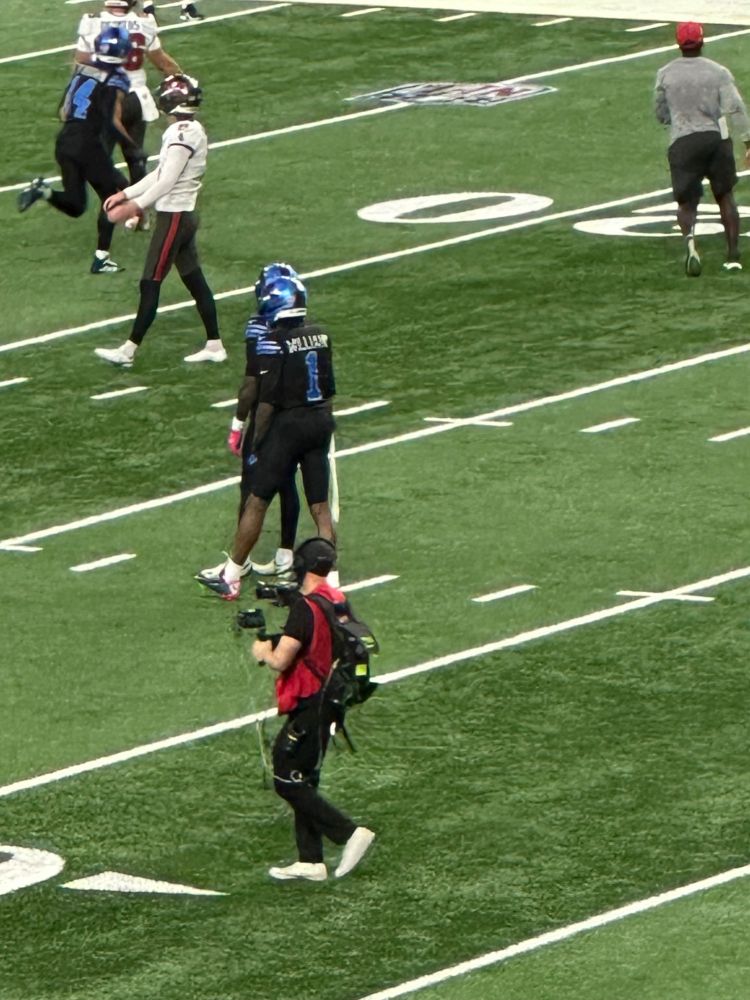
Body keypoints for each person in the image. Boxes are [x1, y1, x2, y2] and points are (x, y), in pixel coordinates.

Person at [196, 275, 336, 600]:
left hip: (288, 426)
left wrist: (256, 442)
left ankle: (231, 576)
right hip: (320, 421)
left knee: (257, 500)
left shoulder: (272, 340)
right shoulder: (320, 335)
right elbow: (328, 391)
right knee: (321, 508)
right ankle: (328, 582)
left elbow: (267, 401)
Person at [252, 537, 375, 881]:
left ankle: (349, 833)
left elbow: (280, 660)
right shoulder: (335, 600)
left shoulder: (305, 609)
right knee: (304, 777)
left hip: (310, 702)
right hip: (331, 700)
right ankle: (311, 860)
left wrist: (264, 649)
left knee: (285, 777)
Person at [94, 73, 226, 366]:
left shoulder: (183, 134)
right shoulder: (186, 130)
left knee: (150, 281)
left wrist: (135, 207)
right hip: (181, 214)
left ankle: (128, 351)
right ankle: (215, 345)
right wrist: (126, 194)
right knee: (195, 281)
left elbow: (166, 181)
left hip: (175, 216)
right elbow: (159, 174)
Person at [200, 263, 303, 584]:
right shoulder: (306, 328)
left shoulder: (260, 327)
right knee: (287, 484)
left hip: (267, 413)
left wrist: (238, 424)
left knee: (252, 485)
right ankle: (285, 554)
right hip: (298, 413)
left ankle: (238, 562)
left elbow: (252, 384)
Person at [17, 25, 136, 275]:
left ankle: (44, 192)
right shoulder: (115, 80)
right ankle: (101, 258)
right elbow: (111, 121)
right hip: (87, 145)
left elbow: (62, 111)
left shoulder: (82, 71)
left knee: (76, 205)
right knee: (115, 196)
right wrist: (131, 145)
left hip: (64, 141)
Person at [654, 20, 750, 276]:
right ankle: (732, 254)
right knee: (725, 196)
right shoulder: (717, 71)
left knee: (686, 203)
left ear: (678, 43)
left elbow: (660, 113)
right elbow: (735, 107)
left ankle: (691, 244)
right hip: (716, 139)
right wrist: (748, 141)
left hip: (683, 140)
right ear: (702, 41)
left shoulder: (666, 73)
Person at [76, 0, 181, 190]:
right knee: (134, 157)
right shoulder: (144, 23)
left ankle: (124, 198)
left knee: (97, 160)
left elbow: (82, 64)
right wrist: (183, 84)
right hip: (137, 98)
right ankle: (140, 209)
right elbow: (164, 64)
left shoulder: (93, 22)